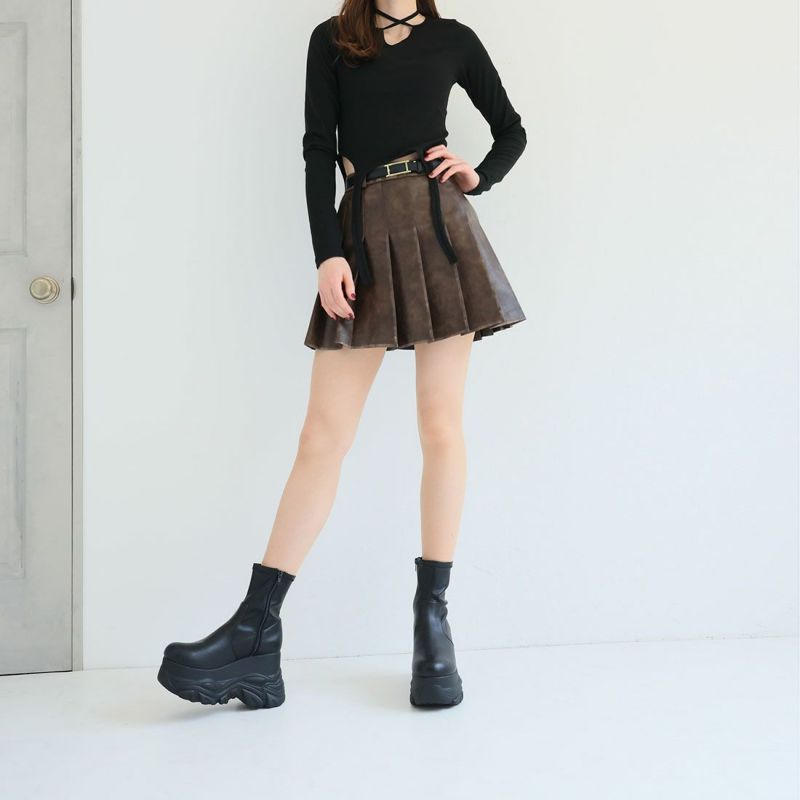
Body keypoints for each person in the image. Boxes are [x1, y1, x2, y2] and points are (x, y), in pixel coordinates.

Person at [157, 0, 527, 710]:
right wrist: (327, 253)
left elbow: (511, 130)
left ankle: (432, 625)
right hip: (360, 236)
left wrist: (478, 174)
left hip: (439, 231)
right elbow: (317, 151)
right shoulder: (333, 40)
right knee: (321, 437)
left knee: (440, 426)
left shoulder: (454, 40)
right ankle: (256, 632)